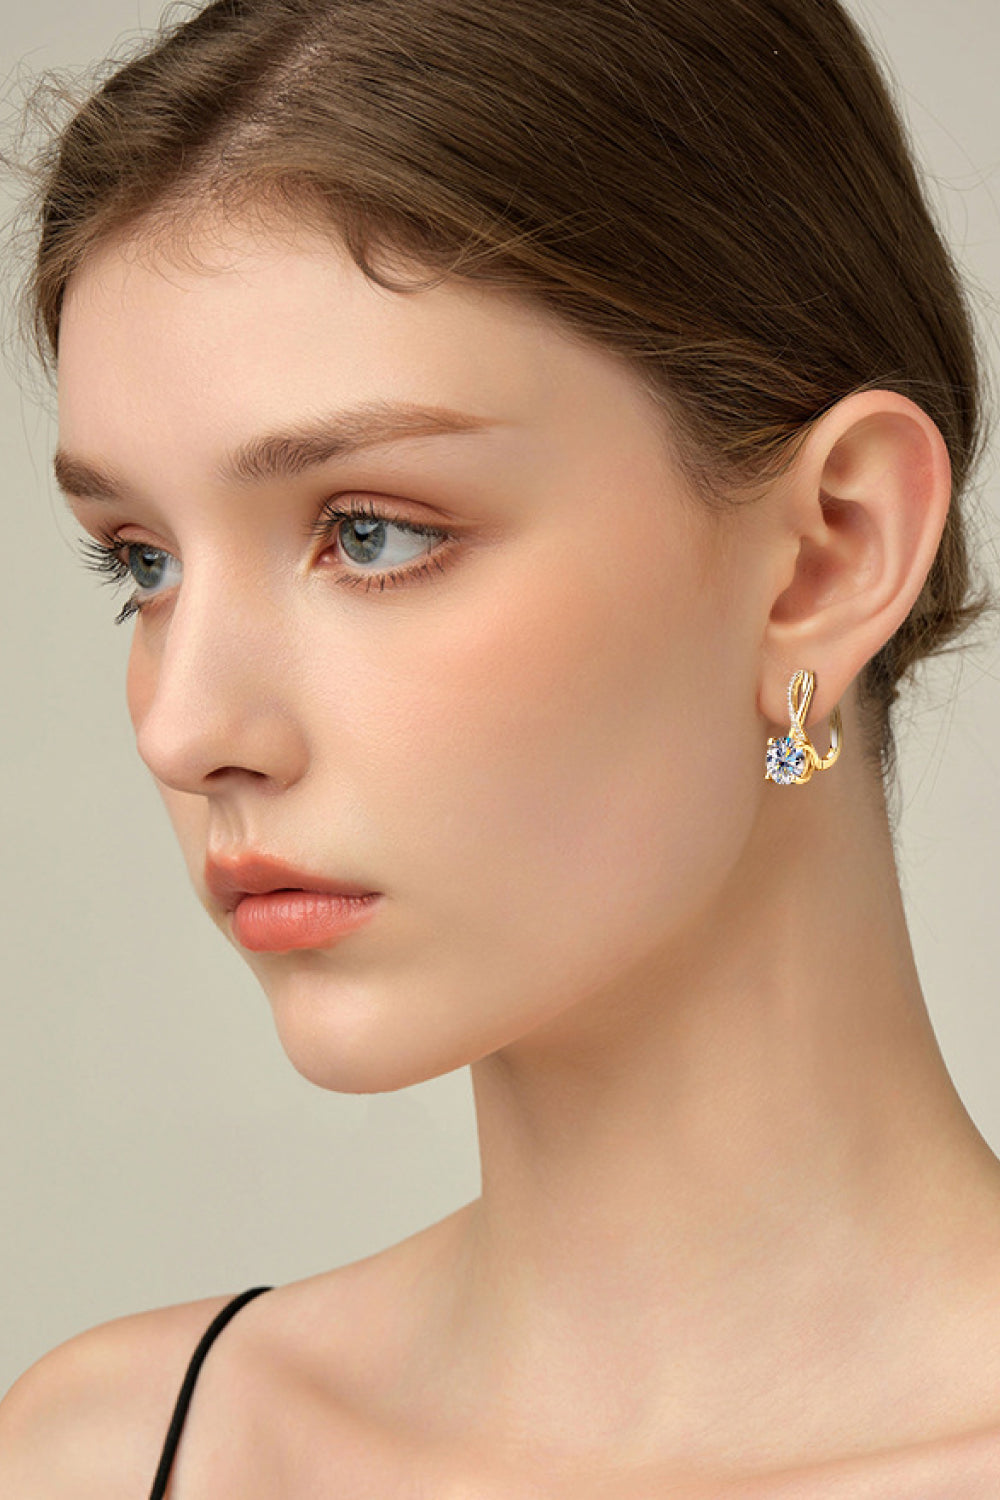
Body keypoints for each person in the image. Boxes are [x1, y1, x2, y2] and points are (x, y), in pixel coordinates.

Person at [1, 0, 999, 1492]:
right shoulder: (113, 1456)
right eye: (140, 560)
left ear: (829, 556)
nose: (186, 725)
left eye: (371, 531)